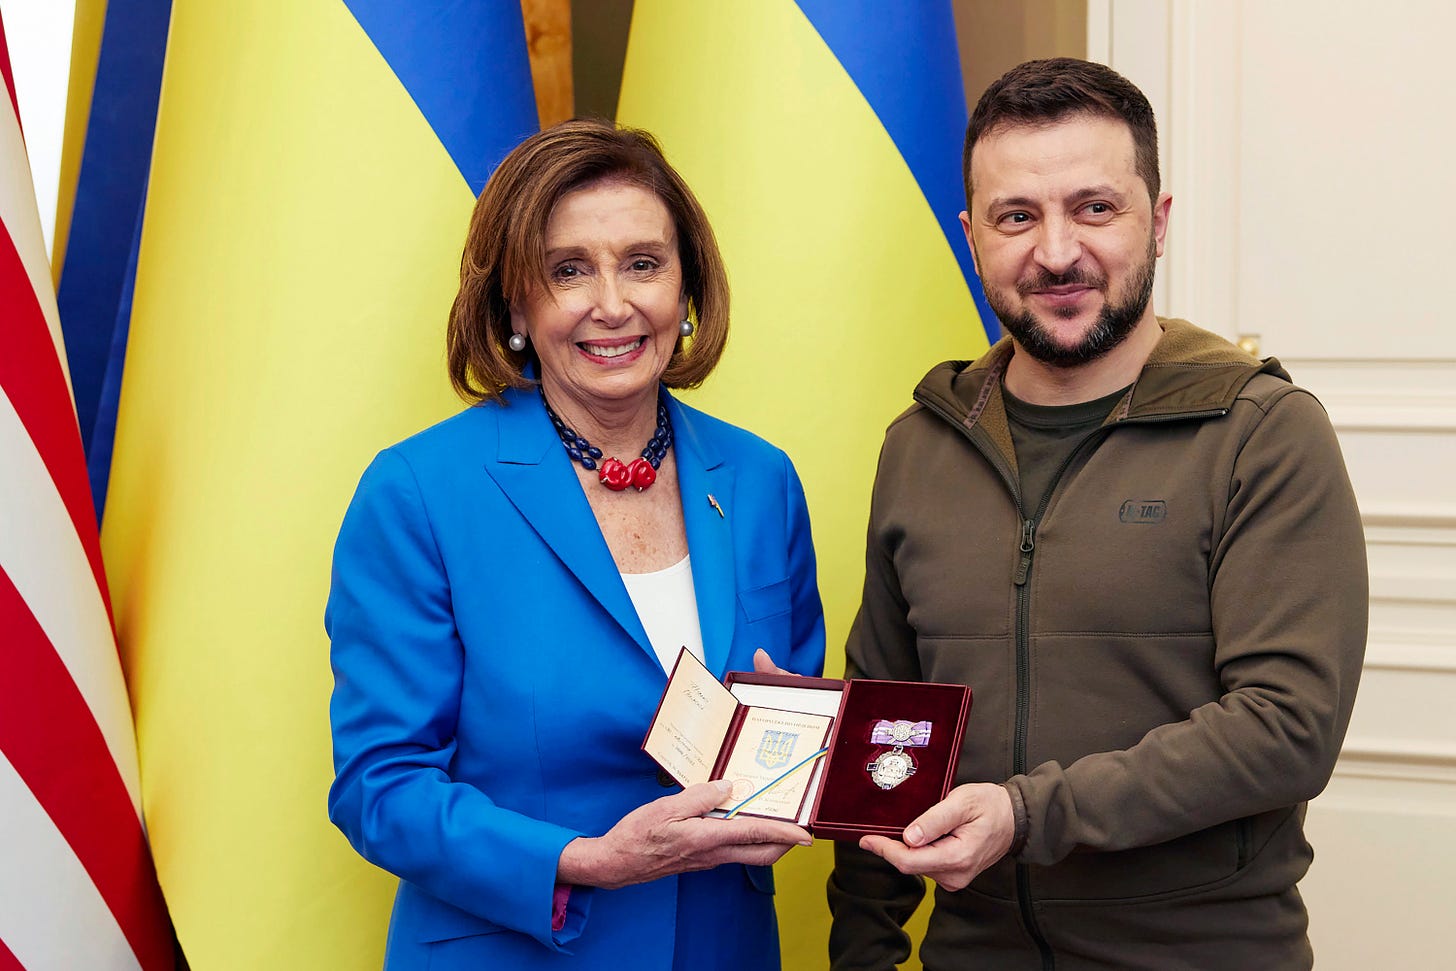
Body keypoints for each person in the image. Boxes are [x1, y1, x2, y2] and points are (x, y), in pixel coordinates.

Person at [826, 58, 1367, 970]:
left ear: (1157, 222)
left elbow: (1286, 727)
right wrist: (865, 951)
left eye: (1095, 208)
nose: (1057, 251)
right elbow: (890, 720)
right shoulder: (918, 447)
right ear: (971, 236)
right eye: (1017, 216)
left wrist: (1028, 813)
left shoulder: (1263, 434)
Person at [326, 119, 825, 970]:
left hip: (722, 945)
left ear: (687, 285)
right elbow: (380, 786)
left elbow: (790, 717)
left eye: (643, 262)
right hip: (521, 948)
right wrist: (586, 860)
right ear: (515, 302)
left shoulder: (761, 478)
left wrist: (799, 759)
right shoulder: (419, 491)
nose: (614, 303)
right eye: (568, 270)